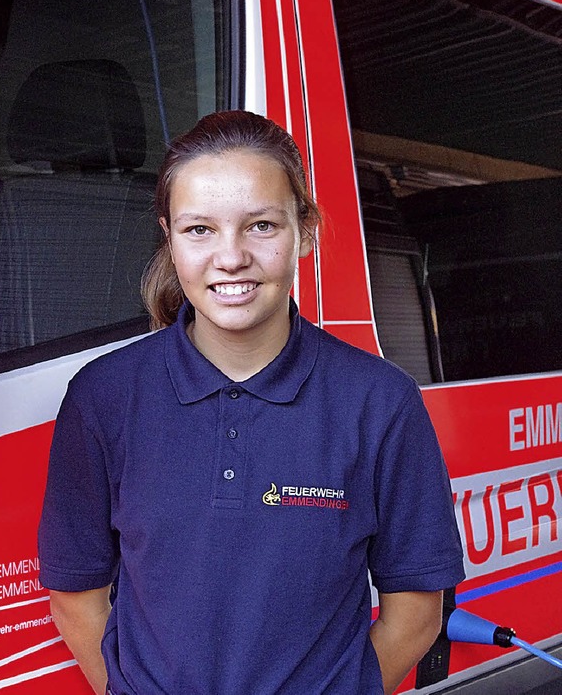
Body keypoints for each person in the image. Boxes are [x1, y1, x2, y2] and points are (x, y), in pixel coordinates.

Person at [38, 110, 465, 695]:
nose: (231, 257)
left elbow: (416, 612)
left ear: (305, 230)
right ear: (169, 236)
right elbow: (75, 597)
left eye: (261, 226)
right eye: (200, 230)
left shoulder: (381, 402)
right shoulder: (103, 397)